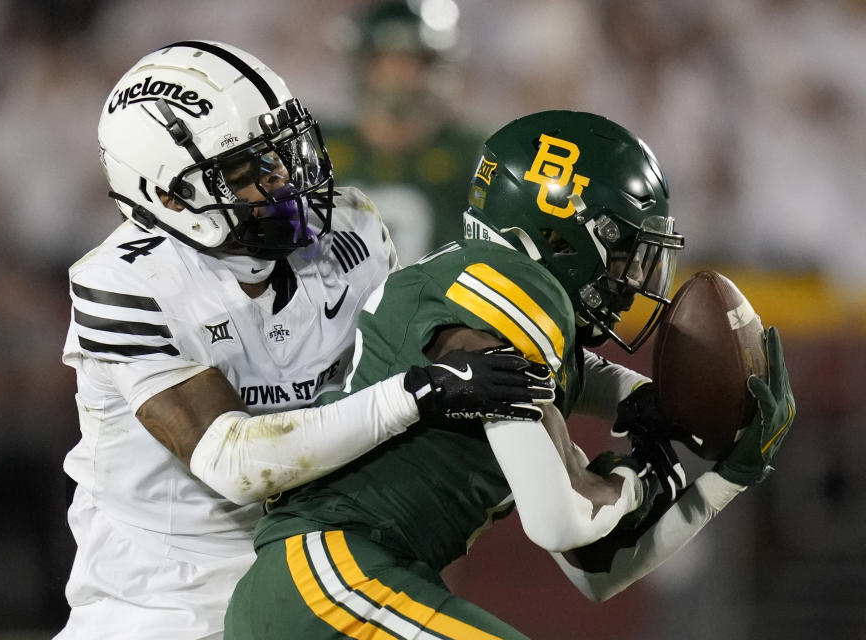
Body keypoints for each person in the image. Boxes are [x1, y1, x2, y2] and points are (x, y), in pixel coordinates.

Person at [222, 110, 797, 639]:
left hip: (336, 585)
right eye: (625, 253)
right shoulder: (511, 292)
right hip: (327, 578)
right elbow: (558, 522)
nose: (635, 281)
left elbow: (599, 571)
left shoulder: (507, 316)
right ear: (559, 234)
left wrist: (730, 475)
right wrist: (640, 478)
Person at [55, 41, 553, 640]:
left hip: (310, 575)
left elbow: (429, 341)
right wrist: (418, 392)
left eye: (282, 153)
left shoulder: (350, 237)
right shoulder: (125, 281)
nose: (284, 178)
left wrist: (620, 392)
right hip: (164, 607)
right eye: (246, 170)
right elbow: (234, 463)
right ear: (169, 196)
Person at [322, 0, 485, 264]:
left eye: (412, 61)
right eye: (384, 60)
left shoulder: (473, 157)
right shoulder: (318, 147)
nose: (396, 75)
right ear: (362, 64)